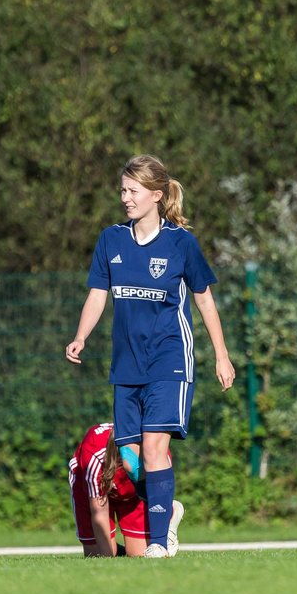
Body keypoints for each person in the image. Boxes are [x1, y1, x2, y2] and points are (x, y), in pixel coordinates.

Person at [65, 155, 234, 558]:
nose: (125, 198)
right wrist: (80, 336)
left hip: (169, 359)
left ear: (156, 195)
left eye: (132, 191)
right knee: (131, 459)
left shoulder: (181, 243)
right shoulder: (112, 240)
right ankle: (168, 511)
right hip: (126, 365)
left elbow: (205, 300)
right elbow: (97, 293)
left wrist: (221, 356)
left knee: (156, 448)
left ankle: (159, 543)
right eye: (122, 190)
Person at [67, 422, 182, 557]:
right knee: (97, 555)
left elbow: (159, 492)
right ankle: (113, 549)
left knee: (139, 554)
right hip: (91, 489)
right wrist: (106, 557)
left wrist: (162, 508)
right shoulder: (95, 456)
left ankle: (171, 512)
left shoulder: (155, 454)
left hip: (133, 494)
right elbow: (99, 511)